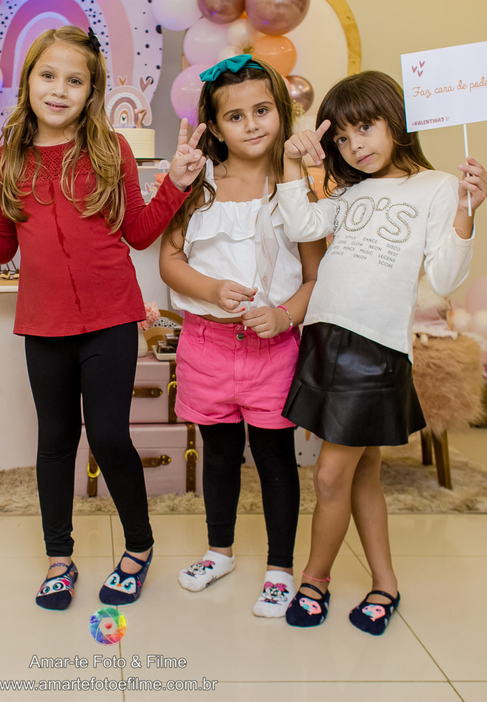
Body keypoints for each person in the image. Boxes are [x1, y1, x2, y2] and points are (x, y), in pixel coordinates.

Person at [0, 25, 204, 610]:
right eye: (47, 76)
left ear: (92, 90)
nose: (58, 90)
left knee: (108, 436)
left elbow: (138, 232)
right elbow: (2, 245)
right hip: (43, 323)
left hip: (110, 317)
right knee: (55, 441)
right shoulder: (8, 155)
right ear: (28, 80)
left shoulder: (112, 148)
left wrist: (177, 186)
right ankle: (60, 557)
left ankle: (138, 546)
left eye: (74, 80)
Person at [275, 70, 487, 634]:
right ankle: (385, 583)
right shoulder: (346, 189)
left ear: (397, 122)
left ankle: (314, 580)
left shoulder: (439, 186)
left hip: (374, 349)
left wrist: (469, 208)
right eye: (343, 138)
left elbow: (445, 274)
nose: (356, 146)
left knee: (328, 477)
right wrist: (303, 168)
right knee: (363, 470)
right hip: (325, 337)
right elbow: (302, 224)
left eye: (365, 128)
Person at [158, 55, 325, 618]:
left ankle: (280, 568)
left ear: (281, 112)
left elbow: (315, 276)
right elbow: (170, 261)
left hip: (272, 348)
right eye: (236, 116)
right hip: (205, 345)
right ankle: (219, 550)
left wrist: (284, 316)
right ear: (214, 125)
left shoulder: (295, 186)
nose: (252, 124)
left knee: (276, 457)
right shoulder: (197, 184)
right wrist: (208, 289)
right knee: (219, 454)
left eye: (263, 110)